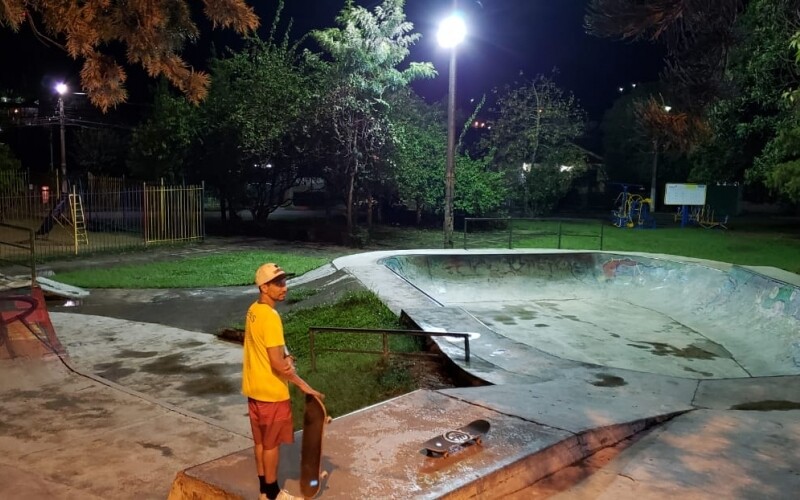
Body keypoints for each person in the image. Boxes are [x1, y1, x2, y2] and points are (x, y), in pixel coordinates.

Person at [242, 263, 322, 500]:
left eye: (284, 282)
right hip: (272, 393)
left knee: (260, 443)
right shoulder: (271, 317)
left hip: (254, 390)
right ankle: (273, 493)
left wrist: (286, 354)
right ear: (264, 287)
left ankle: (263, 491)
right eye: (278, 283)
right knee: (271, 446)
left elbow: (272, 346)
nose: (284, 287)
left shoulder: (254, 310)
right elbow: (277, 364)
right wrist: (303, 385)